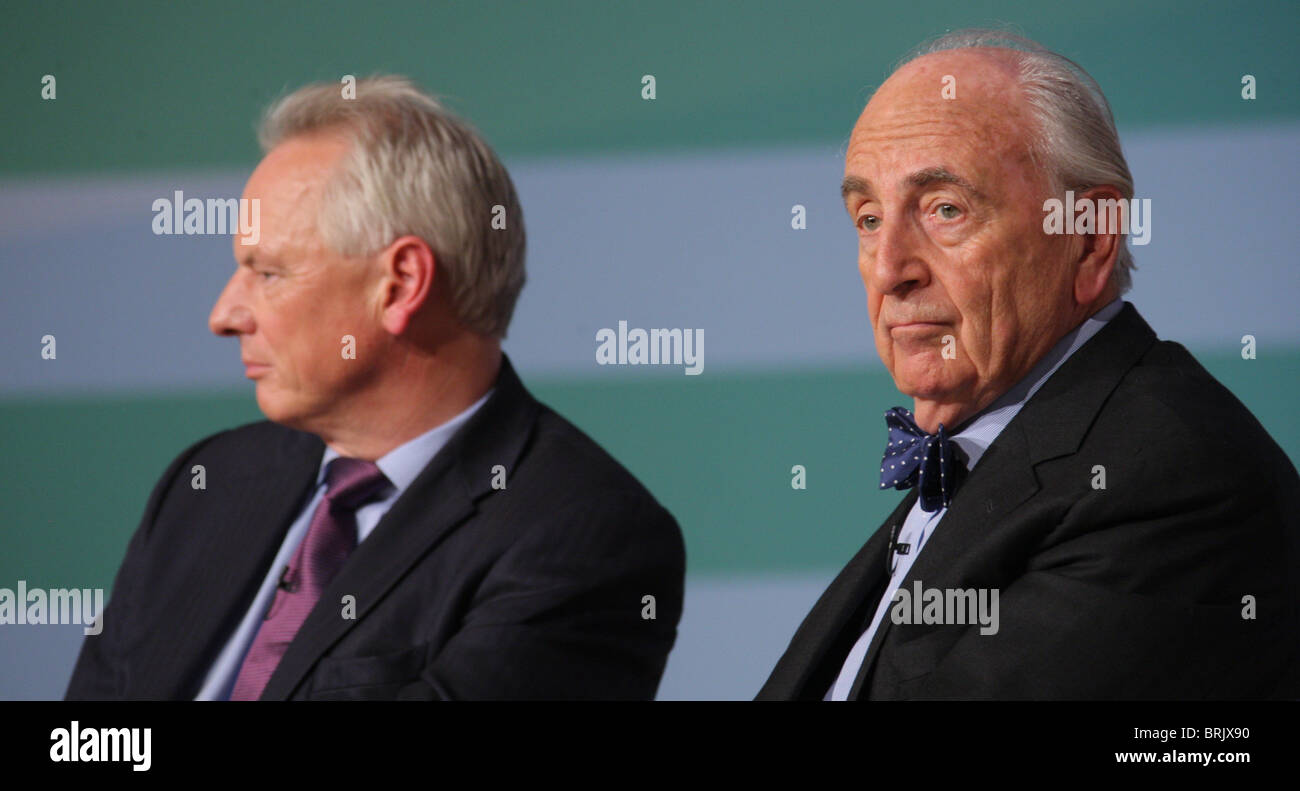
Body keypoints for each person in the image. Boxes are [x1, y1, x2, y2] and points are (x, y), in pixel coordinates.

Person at [66, 76, 685, 701]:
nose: (224, 315)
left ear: (399, 284)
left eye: (269, 273)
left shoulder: (583, 538)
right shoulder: (207, 484)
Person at [758, 30, 1300, 700]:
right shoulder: (986, 455)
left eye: (945, 209)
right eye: (868, 218)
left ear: (1091, 237)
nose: (891, 269)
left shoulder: (1171, 477)